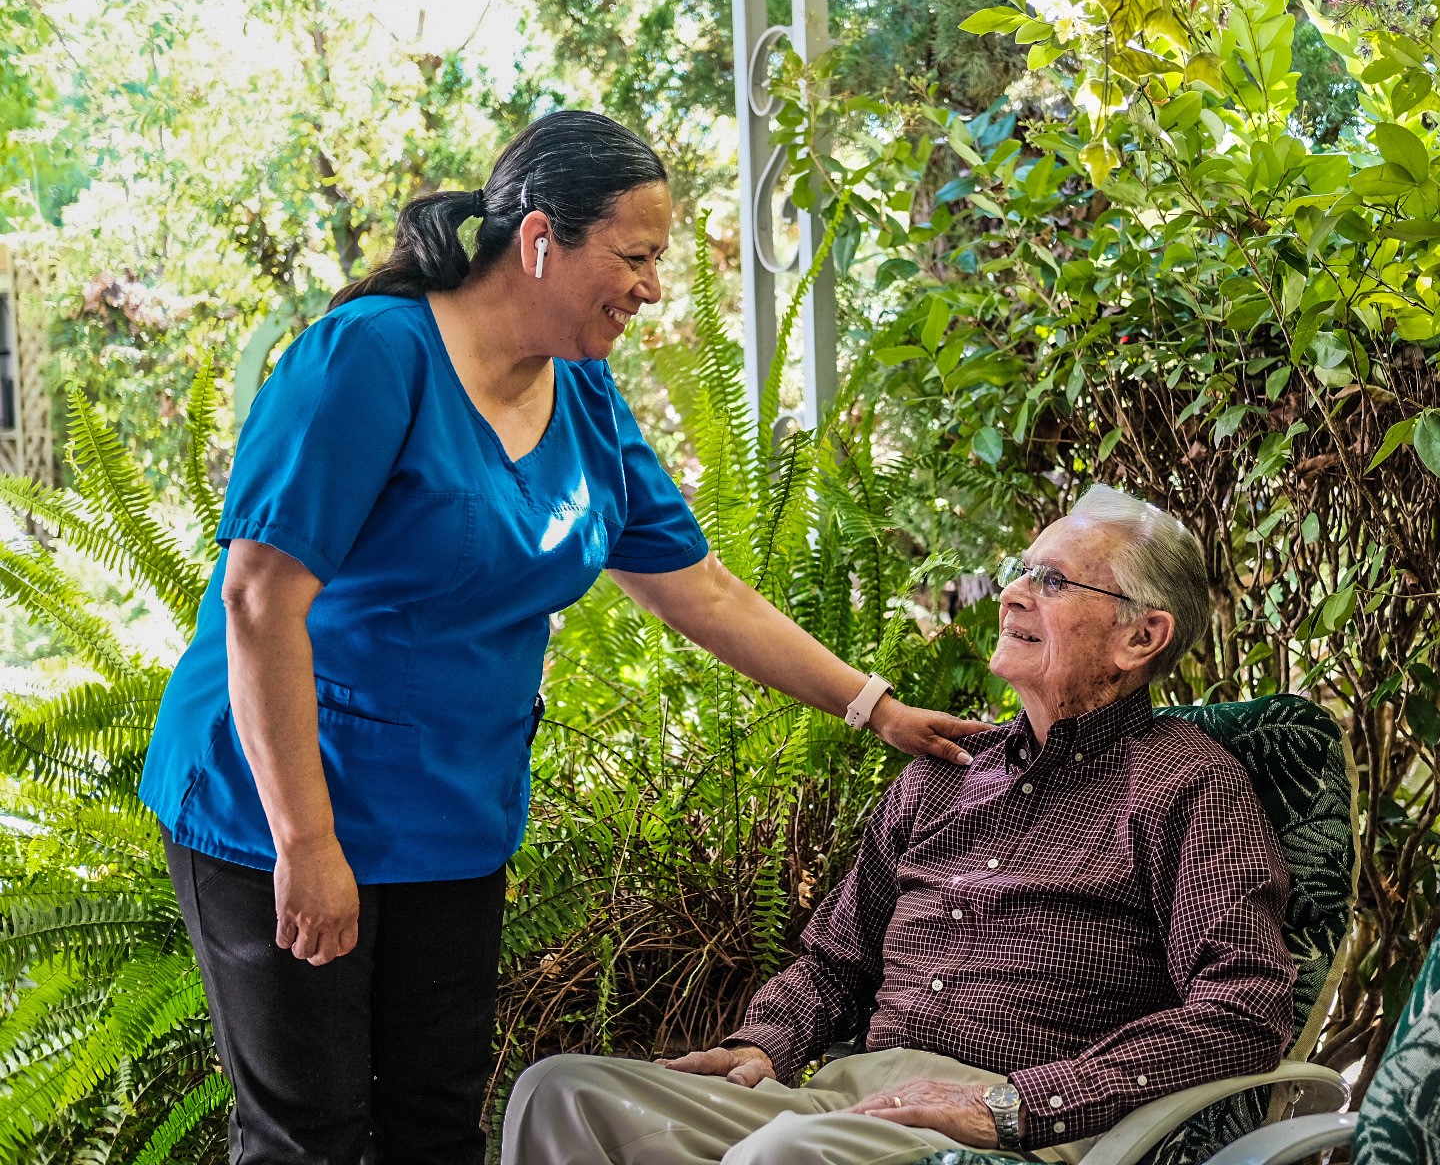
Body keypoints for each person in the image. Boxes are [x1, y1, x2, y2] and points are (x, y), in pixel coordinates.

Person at [138, 110, 990, 1165]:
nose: (653, 286)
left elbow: (704, 588)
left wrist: (875, 705)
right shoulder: (373, 357)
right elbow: (258, 599)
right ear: (539, 238)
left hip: (453, 811)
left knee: (435, 1122)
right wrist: (305, 844)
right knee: (307, 1131)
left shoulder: (581, 389)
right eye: (634, 256)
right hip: (284, 792)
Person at [501, 484, 1297, 1165]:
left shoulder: (1190, 788)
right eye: (1021, 571)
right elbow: (837, 958)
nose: (1014, 593)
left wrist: (1015, 1105)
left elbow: (1243, 1008)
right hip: (850, 1099)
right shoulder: (945, 775)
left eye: (1051, 582)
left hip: (1006, 1125)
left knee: (779, 1154)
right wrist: (764, 1043)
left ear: (1140, 636)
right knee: (561, 1094)